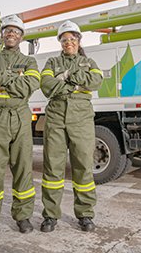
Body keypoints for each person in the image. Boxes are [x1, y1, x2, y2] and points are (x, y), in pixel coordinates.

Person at [0, 14, 41, 236]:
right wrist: (15, 77)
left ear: (21, 36)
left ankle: (23, 217)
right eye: (7, 30)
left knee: (23, 168)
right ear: (2, 35)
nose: (11, 33)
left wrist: (2, 80)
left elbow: (30, 84)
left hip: (21, 116)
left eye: (15, 31)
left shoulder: (30, 62)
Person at [39, 20, 103, 232]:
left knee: (83, 167)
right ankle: (50, 216)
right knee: (53, 168)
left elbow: (95, 82)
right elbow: (47, 86)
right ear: (60, 42)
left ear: (78, 40)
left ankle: (85, 215)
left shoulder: (90, 62)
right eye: (65, 39)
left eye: (72, 39)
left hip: (82, 119)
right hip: (56, 118)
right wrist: (75, 84)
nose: (69, 43)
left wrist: (66, 78)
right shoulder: (51, 63)